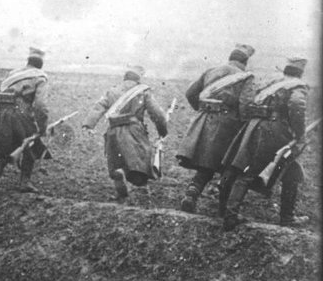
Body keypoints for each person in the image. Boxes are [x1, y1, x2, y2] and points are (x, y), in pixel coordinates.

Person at [219, 57, 309, 230]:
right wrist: (300, 134)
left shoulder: (274, 83)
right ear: (300, 73)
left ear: (286, 70)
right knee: (250, 171)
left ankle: (286, 217)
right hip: (275, 132)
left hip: (255, 126)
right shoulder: (297, 86)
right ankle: (231, 216)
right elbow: (297, 106)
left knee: (290, 171)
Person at [175, 44, 255, 214]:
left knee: (207, 162)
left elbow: (191, 93)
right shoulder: (246, 77)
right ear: (245, 61)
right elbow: (246, 105)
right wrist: (244, 125)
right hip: (227, 125)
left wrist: (202, 109)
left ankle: (192, 193)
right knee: (226, 167)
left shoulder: (211, 70)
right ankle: (222, 208)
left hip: (204, 120)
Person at [82, 65, 169, 200]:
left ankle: (119, 172)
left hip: (113, 131)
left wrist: (89, 125)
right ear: (139, 78)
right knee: (141, 158)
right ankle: (136, 181)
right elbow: (157, 114)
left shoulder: (112, 90)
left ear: (125, 77)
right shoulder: (143, 91)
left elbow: (99, 107)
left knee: (118, 159)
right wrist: (162, 131)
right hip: (134, 130)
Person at [0, 47, 50, 192]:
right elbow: (40, 105)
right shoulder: (40, 77)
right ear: (41, 63)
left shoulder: (14, 73)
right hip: (21, 112)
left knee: (7, 142)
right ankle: (24, 182)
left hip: (2, 111)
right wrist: (42, 127)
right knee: (30, 145)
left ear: (28, 60)